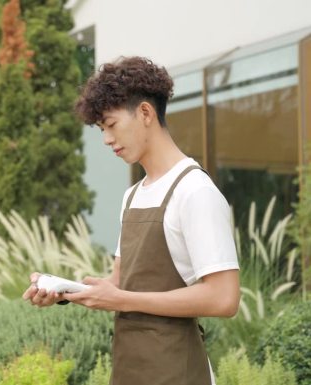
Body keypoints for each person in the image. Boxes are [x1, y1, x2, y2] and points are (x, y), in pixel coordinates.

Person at [22, 56, 240, 385]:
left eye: (111, 125)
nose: (107, 139)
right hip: (130, 366)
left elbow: (224, 298)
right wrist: (67, 292)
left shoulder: (194, 191)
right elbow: (122, 282)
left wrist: (123, 299)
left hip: (177, 370)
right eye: (101, 130)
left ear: (145, 113)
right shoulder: (133, 195)